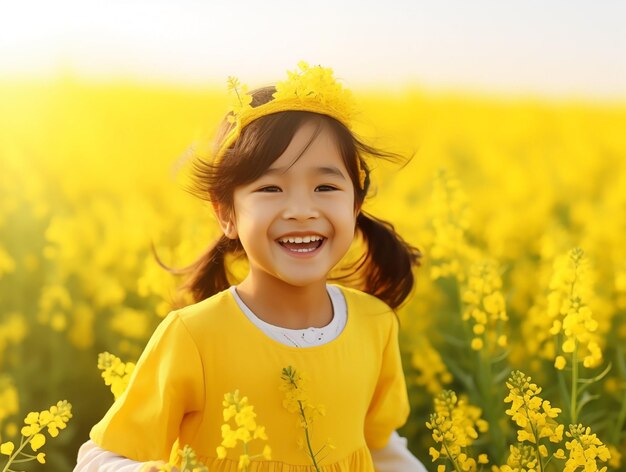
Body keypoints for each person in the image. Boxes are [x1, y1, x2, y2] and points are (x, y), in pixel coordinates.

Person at [74, 62, 427, 471]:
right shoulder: (193, 336)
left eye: (326, 187)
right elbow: (101, 455)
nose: (300, 210)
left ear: (356, 204)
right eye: (270, 188)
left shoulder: (375, 324)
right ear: (226, 214)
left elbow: (380, 448)